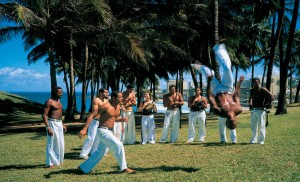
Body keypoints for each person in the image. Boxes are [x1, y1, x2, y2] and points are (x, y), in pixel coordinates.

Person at [77, 91, 135, 174]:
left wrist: (121, 119)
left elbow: (113, 118)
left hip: (110, 131)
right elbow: (92, 115)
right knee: (119, 145)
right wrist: (85, 129)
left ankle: (82, 168)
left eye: (122, 97)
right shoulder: (105, 106)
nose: (122, 98)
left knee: (100, 153)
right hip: (102, 131)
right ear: (114, 98)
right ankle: (124, 168)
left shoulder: (118, 106)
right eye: (120, 97)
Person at [192, 44, 244, 130]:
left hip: (216, 90)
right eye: (233, 123)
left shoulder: (220, 112)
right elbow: (237, 96)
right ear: (236, 121)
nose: (231, 121)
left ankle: (197, 66)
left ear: (226, 122)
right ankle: (219, 48)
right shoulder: (238, 109)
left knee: (208, 74)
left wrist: (209, 82)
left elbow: (210, 98)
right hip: (228, 88)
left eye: (229, 123)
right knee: (227, 68)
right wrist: (239, 83)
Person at [79, 89, 109, 159]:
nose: (107, 93)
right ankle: (83, 154)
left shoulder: (106, 101)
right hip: (94, 121)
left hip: (101, 122)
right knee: (91, 138)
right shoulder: (96, 100)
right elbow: (95, 113)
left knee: (98, 138)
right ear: (101, 93)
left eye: (107, 92)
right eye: (105, 92)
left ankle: (94, 152)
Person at [42, 86, 67, 168]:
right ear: (55, 92)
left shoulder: (59, 101)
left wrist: (62, 124)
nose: (61, 94)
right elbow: (44, 115)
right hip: (52, 123)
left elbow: (59, 114)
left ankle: (57, 160)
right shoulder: (49, 102)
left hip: (59, 123)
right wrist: (48, 127)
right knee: (51, 143)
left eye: (62, 93)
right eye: (60, 93)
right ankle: (49, 163)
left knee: (60, 142)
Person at [249, 78, 274, 144]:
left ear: (259, 83)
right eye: (254, 82)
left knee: (262, 126)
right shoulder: (251, 90)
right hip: (253, 110)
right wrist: (250, 104)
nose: (255, 83)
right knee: (253, 126)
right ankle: (253, 140)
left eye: (257, 82)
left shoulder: (263, 89)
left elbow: (272, 97)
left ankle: (261, 141)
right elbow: (250, 98)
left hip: (261, 110)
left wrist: (265, 105)